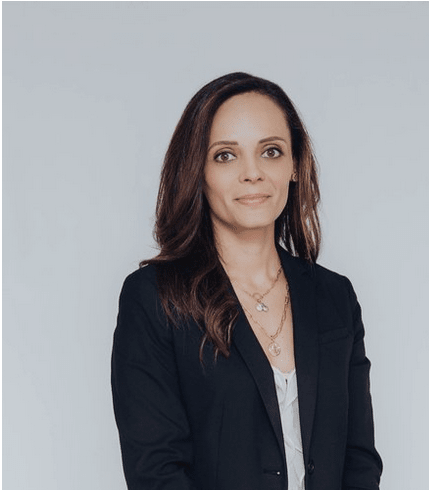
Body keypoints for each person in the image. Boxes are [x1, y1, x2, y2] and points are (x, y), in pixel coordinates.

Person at [111, 72, 383, 490]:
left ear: (295, 165)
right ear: (197, 171)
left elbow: (359, 460)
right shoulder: (155, 298)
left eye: (271, 151)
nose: (252, 173)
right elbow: (156, 472)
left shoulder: (335, 296)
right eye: (225, 155)